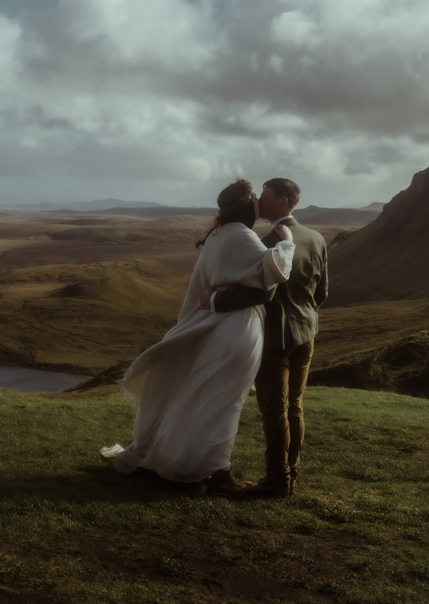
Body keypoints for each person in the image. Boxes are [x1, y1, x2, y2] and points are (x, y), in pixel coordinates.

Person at [101, 179, 294, 497]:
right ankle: (219, 477)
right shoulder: (242, 237)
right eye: (257, 199)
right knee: (225, 403)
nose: (261, 201)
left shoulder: (218, 235)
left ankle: (189, 462)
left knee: (207, 398)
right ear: (248, 208)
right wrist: (286, 240)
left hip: (220, 327)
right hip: (239, 329)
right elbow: (271, 277)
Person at [199, 178, 328, 497]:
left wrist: (215, 301)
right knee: (295, 406)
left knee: (274, 410)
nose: (258, 199)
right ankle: (290, 473)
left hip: (275, 339)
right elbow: (322, 292)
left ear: (283, 202)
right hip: (307, 333)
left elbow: (261, 294)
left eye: (266, 196)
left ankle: (277, 481)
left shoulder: (267, 242)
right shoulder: (316, 238)